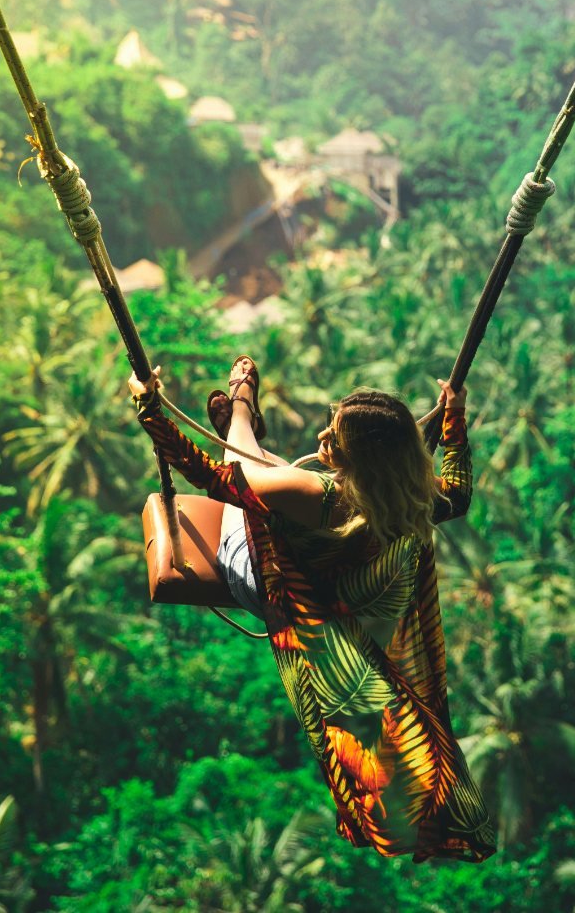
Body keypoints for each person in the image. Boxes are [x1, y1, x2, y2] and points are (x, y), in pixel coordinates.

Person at [129, 356, 495, 862]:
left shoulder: (320, 494)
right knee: (273, 480)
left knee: (253, 476)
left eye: (334, 436)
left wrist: (150, 406)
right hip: (341, 593)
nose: (323, 435)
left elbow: (213, 478)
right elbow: (458, 490)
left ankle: (242, 414)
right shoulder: (413, 498)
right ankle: (247, 433)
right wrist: (454, 417)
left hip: (274, 583)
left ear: (359, 460)